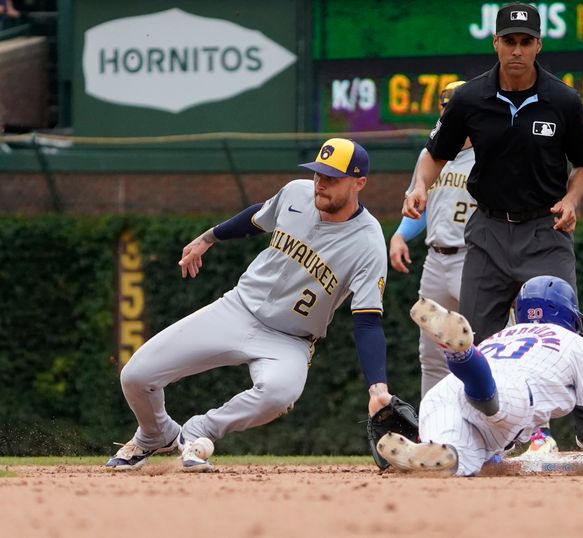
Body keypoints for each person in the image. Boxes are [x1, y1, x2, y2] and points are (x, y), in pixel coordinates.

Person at [106, 138, 393, 472]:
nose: (320, 183)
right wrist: (207, 238)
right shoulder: (296, 193)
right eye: (318, 173)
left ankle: (200, 430)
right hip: (237, 310)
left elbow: (368, 321)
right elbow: (257, 217)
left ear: (359, 183)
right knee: (136, 376)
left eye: (332, 178)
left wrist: (378, 387)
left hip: (290, 340)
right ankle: (156, 435)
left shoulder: (369, 243)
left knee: (279, 393)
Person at [401, 3, 583, 451]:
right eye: (509, 41)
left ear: (538, 45)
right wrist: (418, 187)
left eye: (526, 42)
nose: (517, 50)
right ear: (496, 43)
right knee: (474, 343)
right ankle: (483, 438)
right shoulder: (470, 99)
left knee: (563, 335)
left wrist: (570, 199)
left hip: (545, 234)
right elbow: (435, 153)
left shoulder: (563, 100)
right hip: (488, 231)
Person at [377, 275, 583, 477]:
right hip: (513, 390)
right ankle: (462, 355)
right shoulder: (577, 345)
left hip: (445, 391)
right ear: (567, 313)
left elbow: (493, 454)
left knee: (459, 460)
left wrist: (496, 461)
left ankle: (460, 359)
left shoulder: (501, 335)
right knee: (490, 401)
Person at [389, 80, 477, 398]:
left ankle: (514, 433)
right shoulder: (430, 156)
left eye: (455, 109)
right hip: (435, 260)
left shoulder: (489, 153)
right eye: (445, 108)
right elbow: (419, 208)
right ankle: (434, 432)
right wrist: (400, 234)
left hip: (474, 259)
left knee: (488, 346)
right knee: (432, 354)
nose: (449, 115)